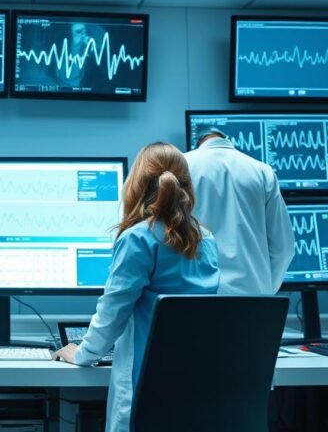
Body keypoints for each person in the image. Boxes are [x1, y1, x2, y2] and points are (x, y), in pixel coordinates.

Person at [52, 142, 220, 432]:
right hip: (197, 390)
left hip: (145, 390)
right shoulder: (206, 239)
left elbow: (112, 313)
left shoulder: (139, 238)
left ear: (136, 186)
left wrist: (81, 354)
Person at [183, 127, 295, 295]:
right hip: (252, 298)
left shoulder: (181, 166)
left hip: (196, 295)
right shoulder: (263, 172)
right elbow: (283, 249)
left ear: (199, 143)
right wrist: (265, 289)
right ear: (227, 140)